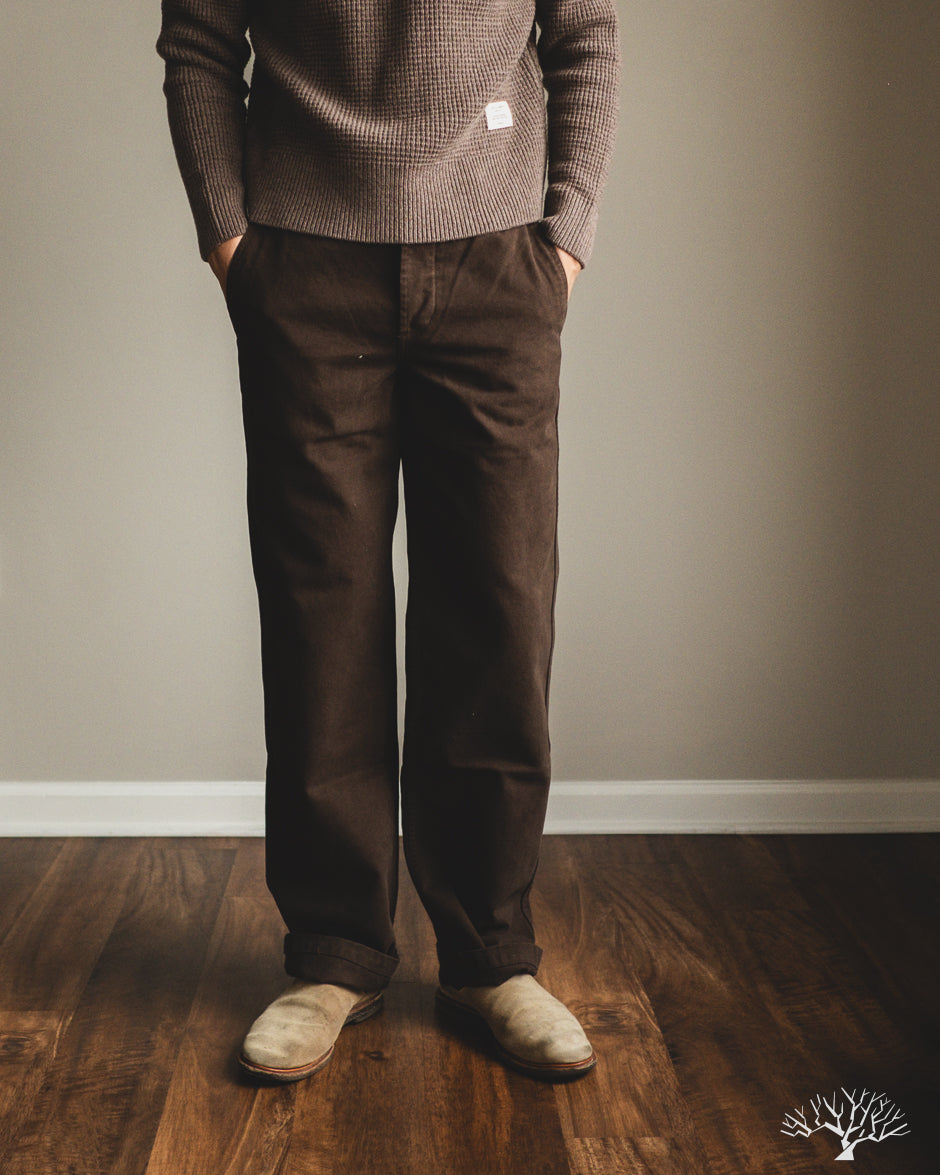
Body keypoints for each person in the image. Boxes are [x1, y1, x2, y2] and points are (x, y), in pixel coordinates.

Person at [157, 0, 619, 1084]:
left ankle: (491, 952)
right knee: (320, 615)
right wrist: (230, 239)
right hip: (305, 264)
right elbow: (199, 42)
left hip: (499, 264)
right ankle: (334, 952)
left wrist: (567, 236)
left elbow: (586, 35)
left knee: (499, 610)